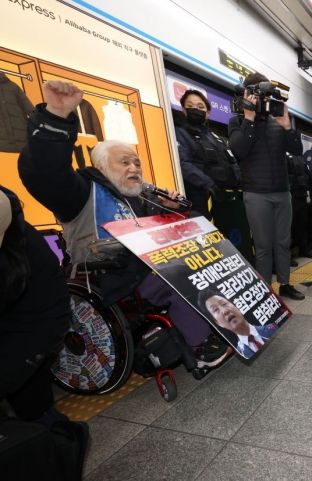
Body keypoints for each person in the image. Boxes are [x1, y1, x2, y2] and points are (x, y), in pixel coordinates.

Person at [18, 80, 229, 368]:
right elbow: (45, 172)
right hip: (108, 275)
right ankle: (201, 348)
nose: (134, 168)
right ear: (102, 167)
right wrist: (55, 117)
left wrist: (173, 211)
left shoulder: (141, 195)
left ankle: (222, 324)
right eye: (124, 163)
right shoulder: (81, 193)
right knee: (183, 275)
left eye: (137, 163)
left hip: (145, 267)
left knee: (210, 259)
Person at [228, 72, 305, 301]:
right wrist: (249, 118)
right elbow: (239, 151)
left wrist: (287, 127)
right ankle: (265, 290)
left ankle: (284, 284)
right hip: (256, 193)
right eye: (253, 92)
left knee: (283, 242)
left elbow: (297, 151)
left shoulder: (277, 118)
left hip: (282, 191)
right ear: (246, 93)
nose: (259, 97)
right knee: (262, 245)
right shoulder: (237, 121)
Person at [0, 186, 71, 426]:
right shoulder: (11, 214)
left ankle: (58, 443)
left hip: (32, 325)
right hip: (33, 319)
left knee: (35, 409)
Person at [175, 89, 241, 218]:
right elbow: (183, 164)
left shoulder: (216, 137)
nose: (195, 109)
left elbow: (232, 161)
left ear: (208, 113)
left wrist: (240, 182)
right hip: (201, 198)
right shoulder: (180, 134)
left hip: (228, 198)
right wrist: (209, 185)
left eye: (200, 106)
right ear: (183, 110)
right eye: (190, 106)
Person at [198, 291, 276, 358]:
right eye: (215, 310)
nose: (225, 311)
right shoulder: (241, 353)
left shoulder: (273, 328)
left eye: (224, 304)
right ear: (218, 323)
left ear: (236, 306)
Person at [286, 152, 312, 261]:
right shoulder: (284, 154)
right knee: (290, 226)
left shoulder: (300, 156)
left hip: (302, 193)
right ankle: (288, 255)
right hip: (291, 194)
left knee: (303, 224)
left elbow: (307, 174)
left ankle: (304, 249)